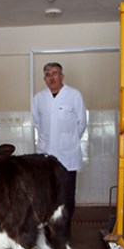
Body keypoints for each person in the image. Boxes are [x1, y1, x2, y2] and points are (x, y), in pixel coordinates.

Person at [31, 62, 87, 228]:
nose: (51, 77)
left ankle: (65, 231)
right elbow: (36, 123)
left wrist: (68, 141)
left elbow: (81, 123)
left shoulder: (74, 95)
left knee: (67, 196)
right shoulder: (39, 98)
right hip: (46, 157)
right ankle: (49, 232)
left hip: (68, 157)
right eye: (48, 75)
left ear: (61, 76)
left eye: (55, 73)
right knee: (47, 196)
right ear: (44, 79)